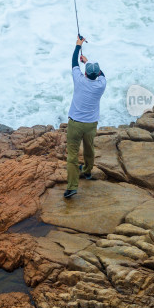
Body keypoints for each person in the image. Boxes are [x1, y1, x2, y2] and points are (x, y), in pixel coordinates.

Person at [65, 34, 106, 198]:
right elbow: (101, 73)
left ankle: (72, 186)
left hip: (75, 124)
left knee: (72, 156)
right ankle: (88, 171)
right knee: (89, 148)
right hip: (91, 125)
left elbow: (74, 63)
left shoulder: (79, 80)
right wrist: (88, 61)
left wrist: (77, 45)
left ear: (86, 74)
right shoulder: (101, 85)